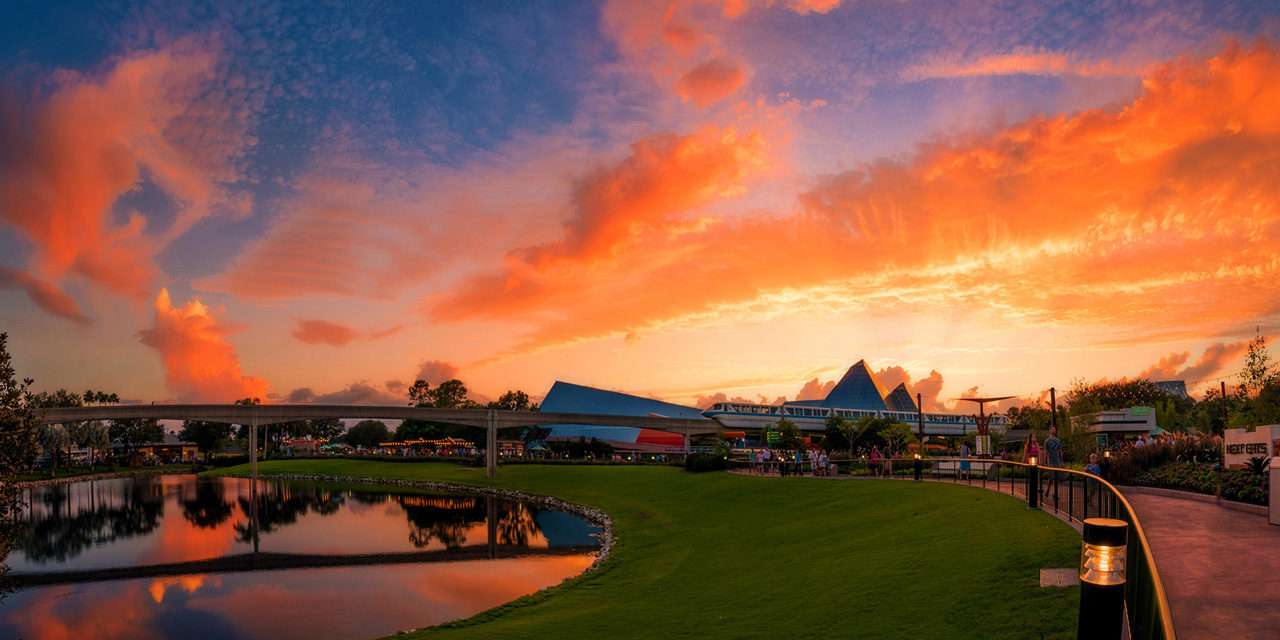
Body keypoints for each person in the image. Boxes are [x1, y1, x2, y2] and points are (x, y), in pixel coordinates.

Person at [1042, 426, 1063, 497]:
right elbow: (1045, 451)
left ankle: (1055, 493)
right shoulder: (1047, 441)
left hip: (1057, 460)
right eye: (1052, 429)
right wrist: (1045, 461)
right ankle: (1047, 491)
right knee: (1051, 476)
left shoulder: (1058, 440)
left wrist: (1061, 460)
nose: (1054, 430)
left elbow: (1060, 451)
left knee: (1056, 477)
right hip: (1050, 460)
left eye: (1055, 429)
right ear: (1049, 430)